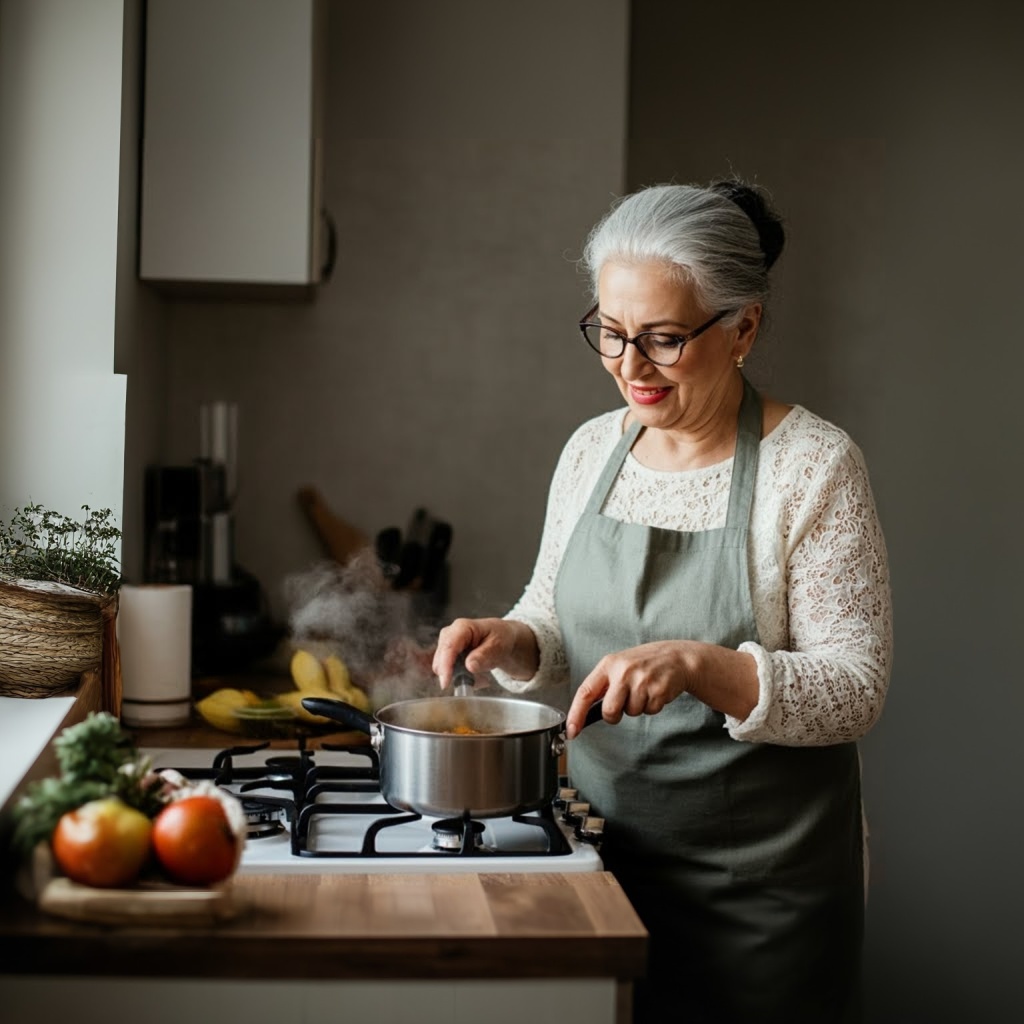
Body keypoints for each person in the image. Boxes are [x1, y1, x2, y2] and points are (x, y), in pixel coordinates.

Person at [432, 179, 892, 1023]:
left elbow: (854, 689)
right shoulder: (589, 451)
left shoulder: (814, 468)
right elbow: (553, 617)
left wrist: (701, 666)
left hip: (763, 901)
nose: (629, 367)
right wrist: (513, 640)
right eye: (608, 333)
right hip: (598, 866)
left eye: (664, 339)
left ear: (743, 327)